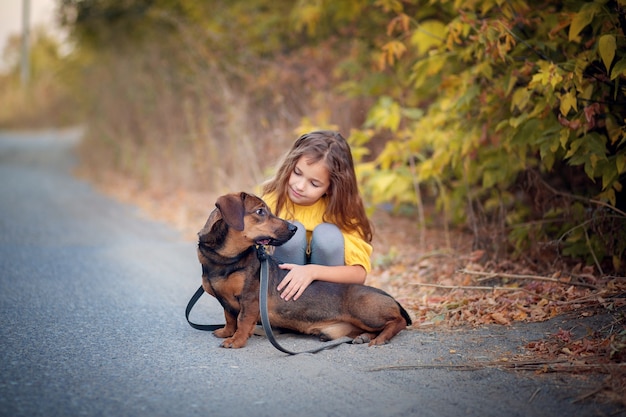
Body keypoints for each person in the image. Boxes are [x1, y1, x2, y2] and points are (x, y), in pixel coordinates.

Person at [262, 130, 373, 301]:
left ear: (330, 188)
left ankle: (325, 313)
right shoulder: (272, 201)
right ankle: (280, 310)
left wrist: (312, 271)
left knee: (328, 235)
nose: (299, 186)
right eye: (297, 173)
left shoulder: (343, 213)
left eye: (314, 183)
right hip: (281, 295)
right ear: (290, 165)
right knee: (291, 232)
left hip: (326, 300)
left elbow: (359, 274)